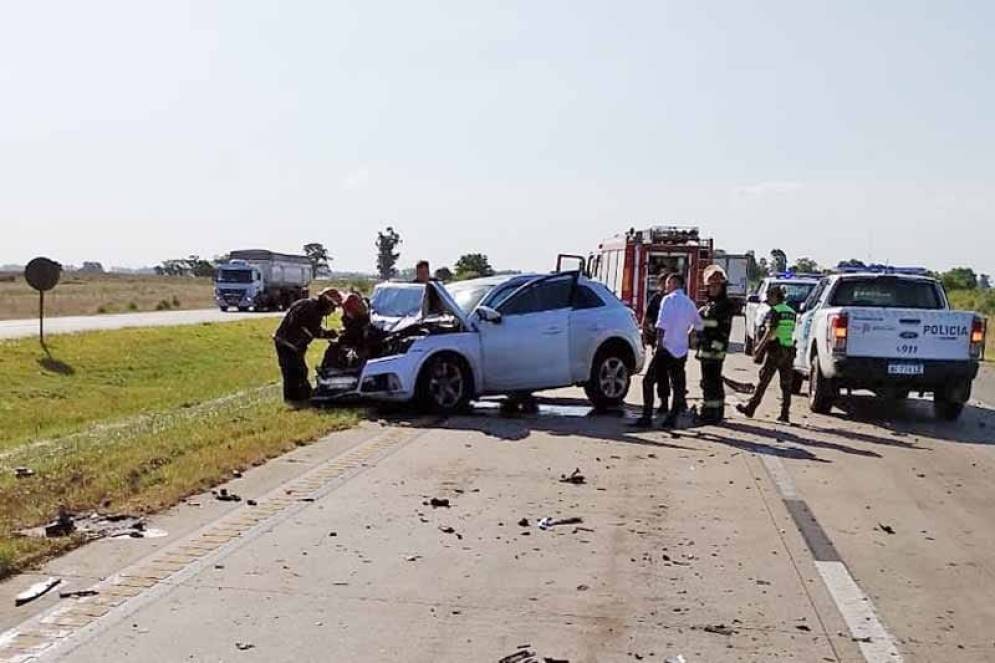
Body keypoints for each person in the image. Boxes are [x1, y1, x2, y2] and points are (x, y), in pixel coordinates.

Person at [632, 273, 703, 428]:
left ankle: (647, 417)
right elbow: (698, 324)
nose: (666, 286)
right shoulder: (689, 303)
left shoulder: (667, 300)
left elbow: (662, 323)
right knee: (677, 385)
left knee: (648, 381)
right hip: (681, 350)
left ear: (674, 284)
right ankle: (672, 418)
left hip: (665, 347)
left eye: (668, 283)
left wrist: (659, 343)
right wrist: (688, 334)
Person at [736, 285, 797, 423]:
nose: (767, 300)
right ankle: (785, 413)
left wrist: (759, 347)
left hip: (776, 350)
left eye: (769, 297)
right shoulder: (791, 312)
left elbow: (770, 332)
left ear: (776, 297)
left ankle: (750, 408)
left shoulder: (775, 311)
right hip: (789, 350)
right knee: (786, 384)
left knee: (763, 381)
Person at [273, 288, 341, 404]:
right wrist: (329, 334)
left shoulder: (308, 305)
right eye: (333, 307)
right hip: (289, 344)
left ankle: (297, 397)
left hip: (287, 343)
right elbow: (313, 330)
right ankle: (297, 398)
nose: (333, 312)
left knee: (295, 371)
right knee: (295, 371)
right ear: (327, 302)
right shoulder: (312, 310)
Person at [694, 265, 735, 424]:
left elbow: (723, 330)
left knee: (712, 382)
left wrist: (714, 348)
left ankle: (713, 413)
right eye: (711, 286)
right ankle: (711, 411)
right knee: (708, 382)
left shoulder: (724, 305)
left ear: (722, 287)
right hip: (706, 349)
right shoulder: (710, 305)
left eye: (716, 286)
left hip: (715, 350)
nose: (713, 289)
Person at [640, 274, 671, 411]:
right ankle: (665, 405)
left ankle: (648, 412)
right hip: (659, 344)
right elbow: (647, 319)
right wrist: (645, 336)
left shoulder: (672, 301)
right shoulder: (656, 299)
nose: (665, 286)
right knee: (662, 375)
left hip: (665, 345)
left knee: (650, 379)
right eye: (663, 283)